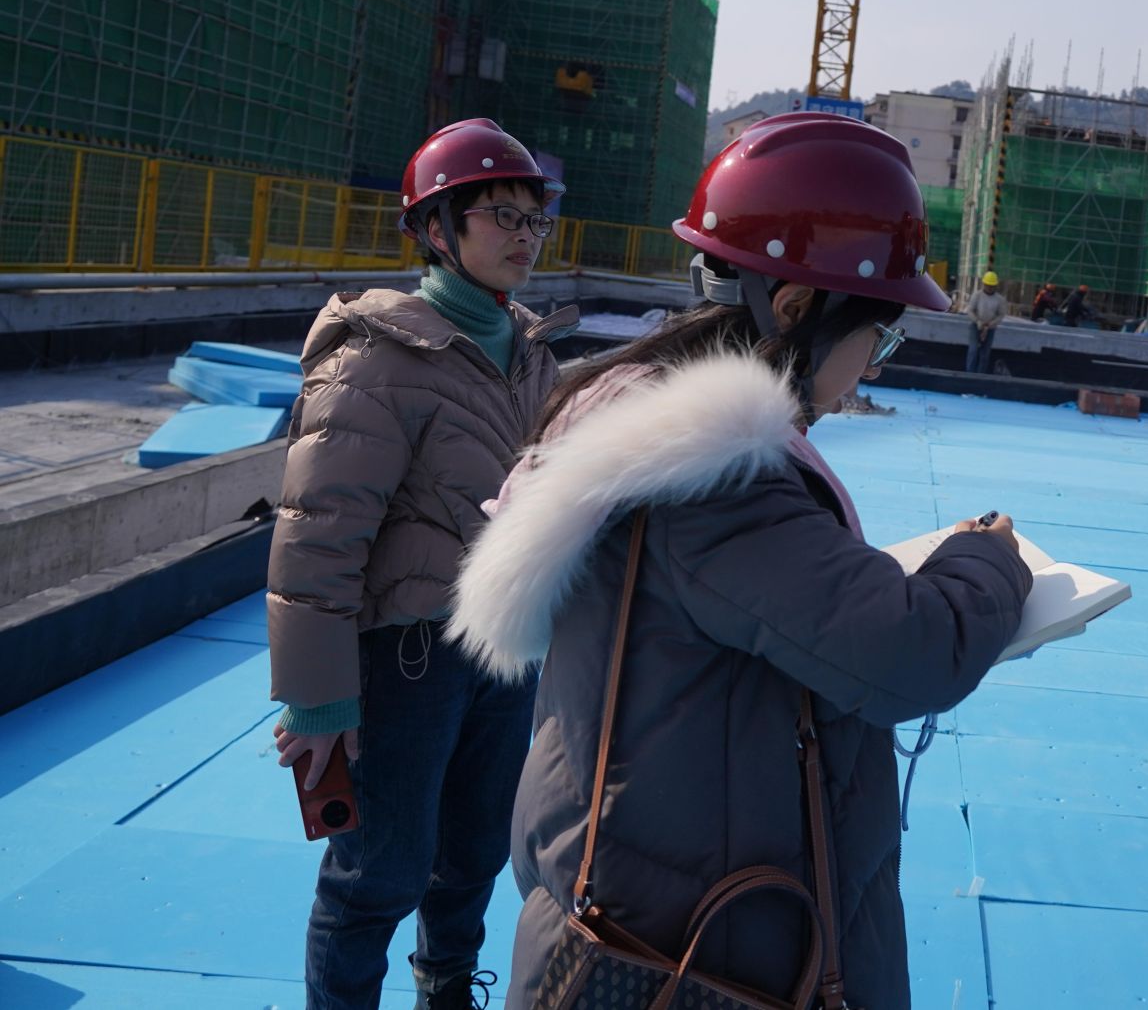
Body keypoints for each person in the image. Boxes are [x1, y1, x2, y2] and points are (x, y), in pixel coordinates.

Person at [448, 113, 1031, 1010]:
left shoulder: (640, 427)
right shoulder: (719, 480)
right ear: (796, 308)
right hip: (703, 960)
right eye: (877, 337)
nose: (872, 368)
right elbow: (911, 649)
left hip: (658, 909)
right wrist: (988, 558)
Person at [267, 118, 579, 1010]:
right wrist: (319, 700)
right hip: (407, 658)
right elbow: (316, 536)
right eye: (502, 216)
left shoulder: (531, 354)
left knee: (476, 848)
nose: (525, 236)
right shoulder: (376, 358)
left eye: (534, 218)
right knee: (378, 871)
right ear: (437, 229)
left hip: (503, 650)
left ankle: (444, 990)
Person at [965, 270, 1007, 373]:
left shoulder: (999, 299)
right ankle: (969, 374)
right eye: (988, 285)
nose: (989, 288)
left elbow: (1001, 314)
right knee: (973, 350)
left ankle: (980, 375)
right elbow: (970, 310)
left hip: (990, 328)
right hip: (976, 326)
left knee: (985, 354)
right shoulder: (977, 295)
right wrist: (977, 321)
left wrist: (992, 324)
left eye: (992, 286)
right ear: (984, 284)